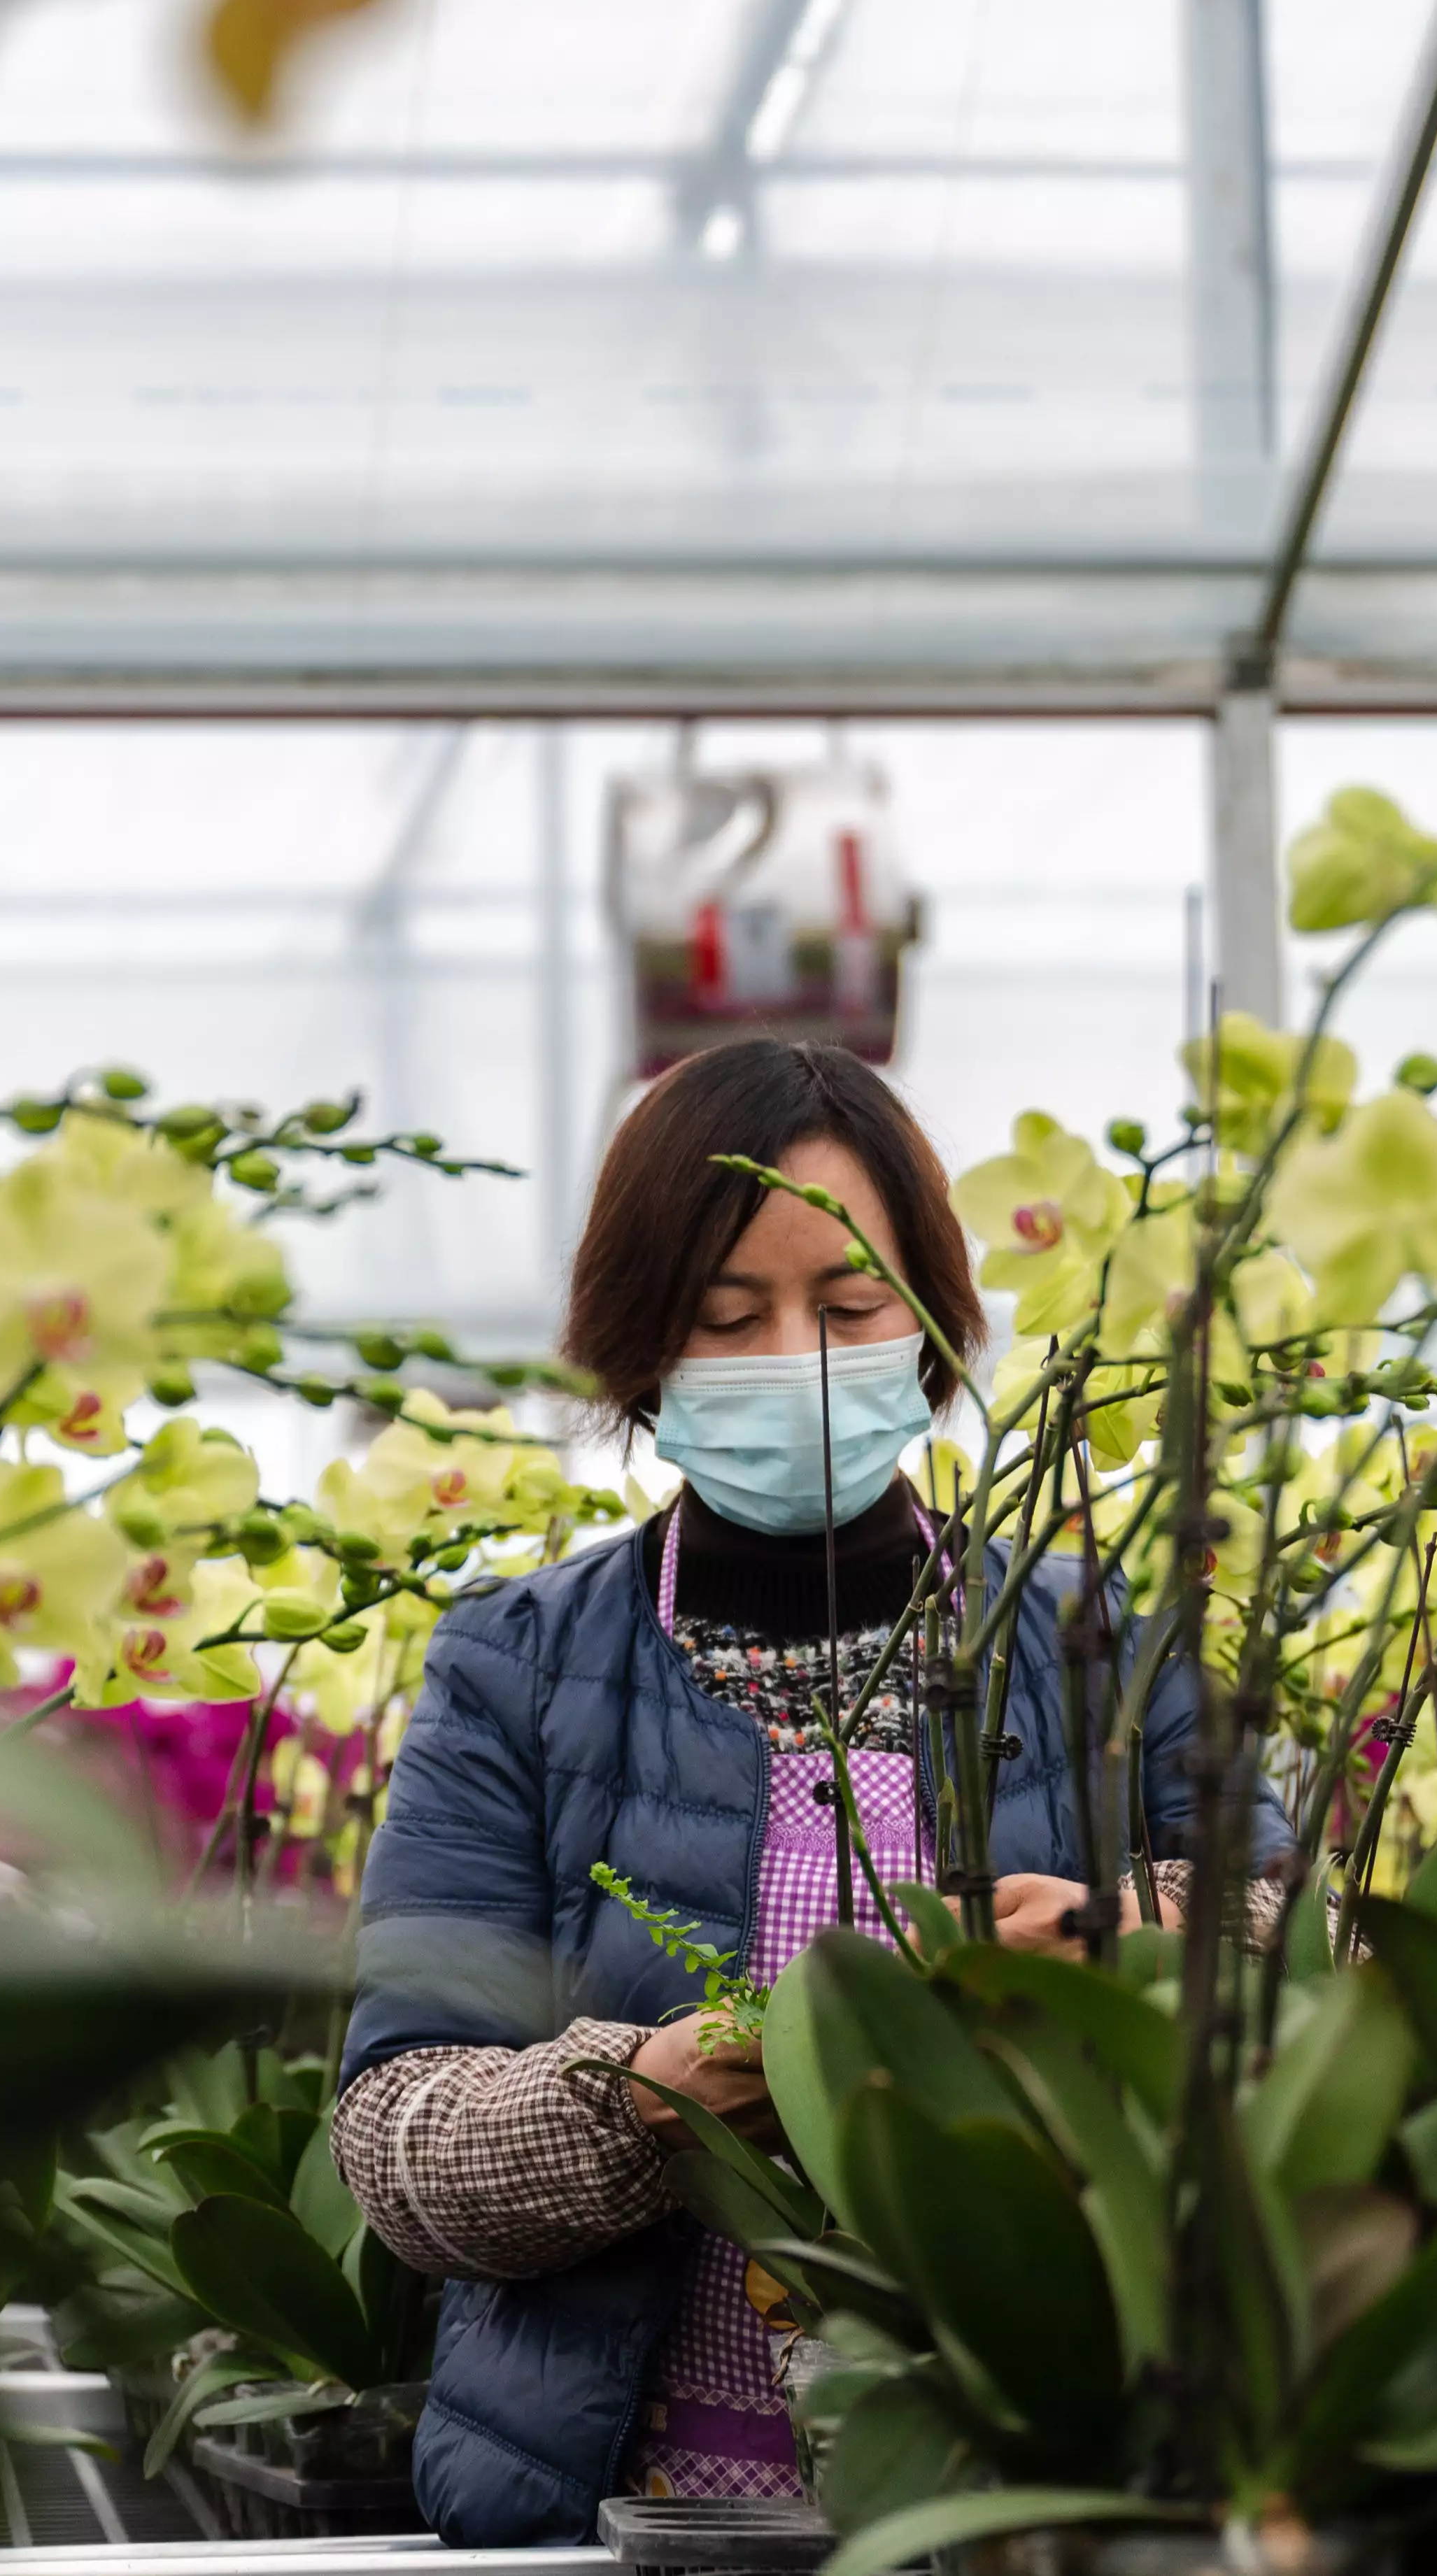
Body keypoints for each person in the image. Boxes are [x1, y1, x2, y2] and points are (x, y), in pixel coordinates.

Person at [333, 1038, 1281, 2545]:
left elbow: (1300, 1947)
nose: (802, 1357)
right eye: (729, 1318)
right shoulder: (517, 1666)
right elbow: (396, 2142)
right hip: (642, 2514)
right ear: (643, 1348)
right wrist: (660, 2091)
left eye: (847, 1309)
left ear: (932, 1323)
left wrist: (1124, 1942)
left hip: (1048, 2488)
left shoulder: (1096, 1639)